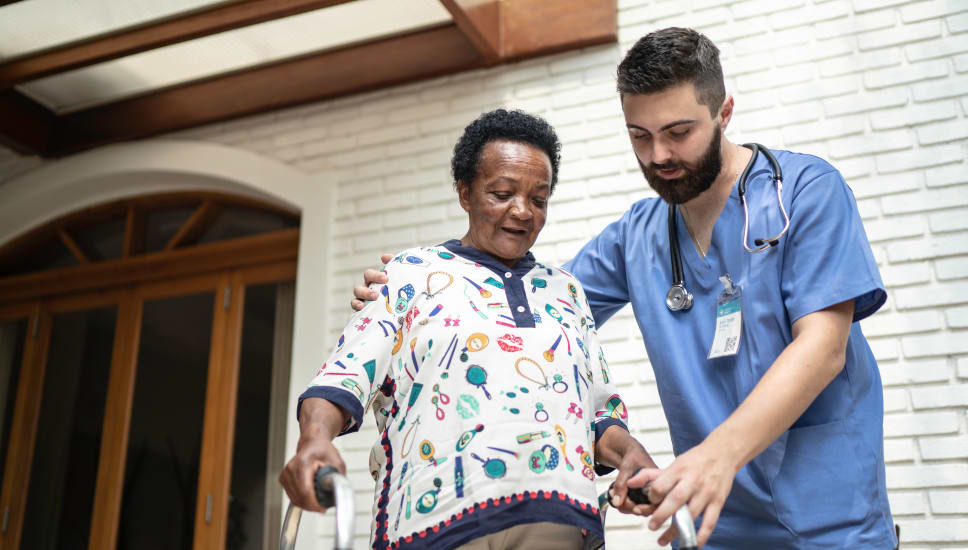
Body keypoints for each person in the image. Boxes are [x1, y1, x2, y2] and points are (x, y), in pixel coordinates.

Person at [352, 28, 897, 549]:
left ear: (724, 112)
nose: (658, 156)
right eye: (640, 136)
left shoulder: (803, 192)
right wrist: (421, 291)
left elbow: (823, 348)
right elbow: (530, 319)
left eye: (678, 132)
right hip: (712, 523)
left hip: (830, 519)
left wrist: (717, 456)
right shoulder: (637, 237)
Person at [280, 109, 655, 550]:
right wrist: (313, 441)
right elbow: (341, 378)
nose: (523, 211)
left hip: (555, 521)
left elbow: (597, 411)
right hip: (434, 522)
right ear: (465, 192)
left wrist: (630, 452)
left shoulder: (567, 292)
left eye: (539, 198)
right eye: (502, 193)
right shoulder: (410, 274)